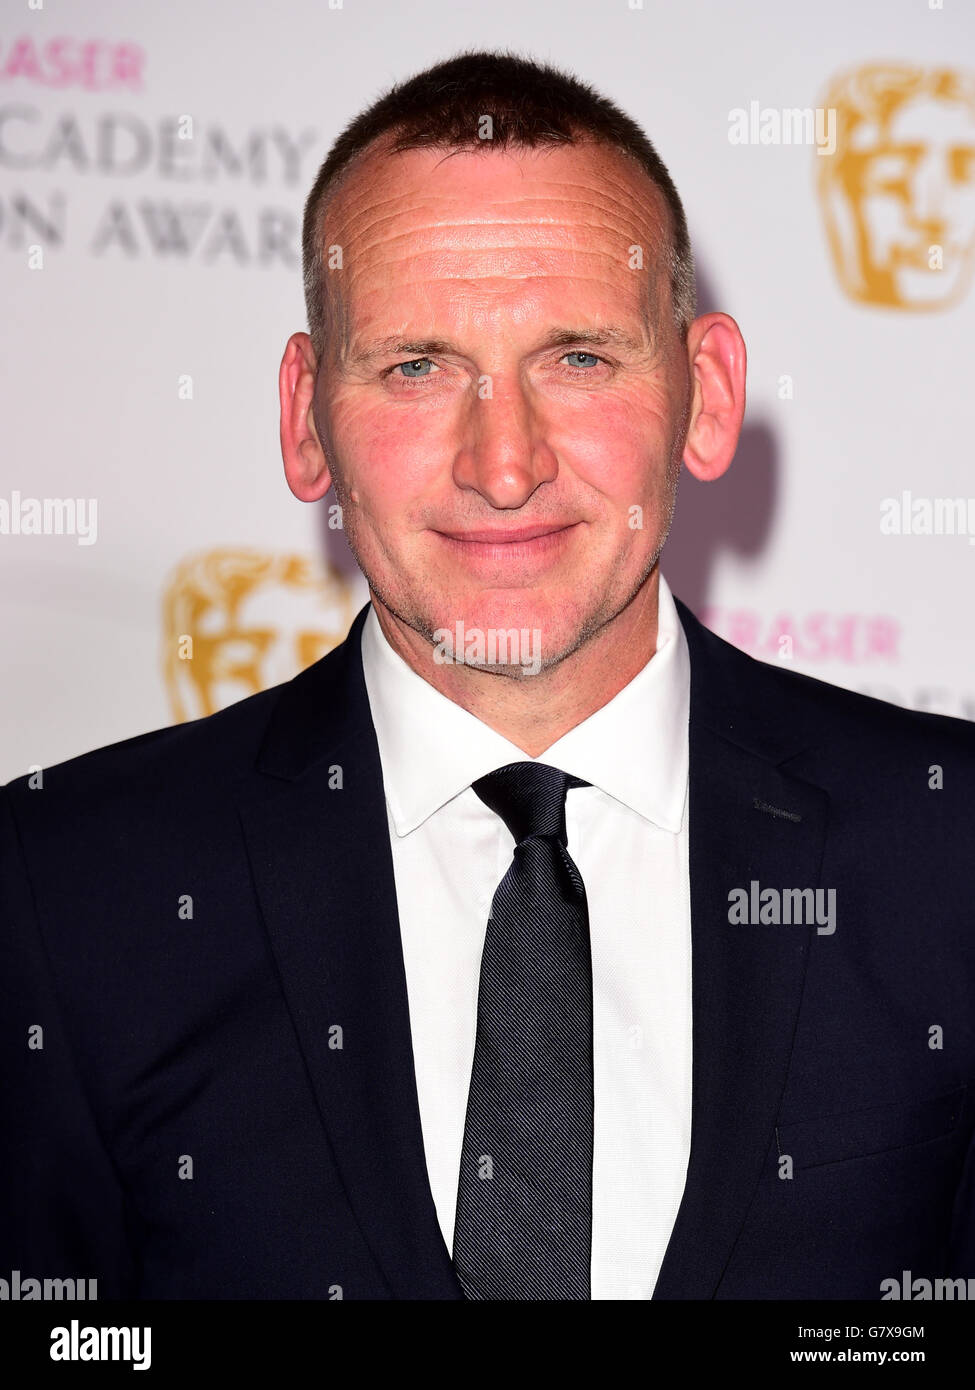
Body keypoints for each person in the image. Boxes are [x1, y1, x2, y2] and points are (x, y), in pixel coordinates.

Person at [2, 49, 973, 1302]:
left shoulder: (946, 854)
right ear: (306, 420)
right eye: (416, 366)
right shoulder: (66, 890)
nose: (502, 463)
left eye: (578, 357)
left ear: (708, 394)